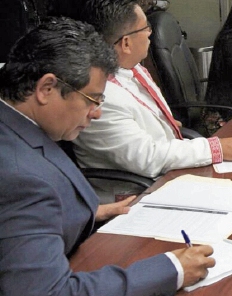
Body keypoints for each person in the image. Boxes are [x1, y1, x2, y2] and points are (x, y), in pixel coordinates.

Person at [0, 18, 215, 296]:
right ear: (46, 89)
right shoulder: (21, 180)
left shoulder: (15, 124)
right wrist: (172, 270)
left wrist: (84, 213)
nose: (97, 112)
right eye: (92, 99)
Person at [74, 0, 232, 202]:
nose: (150, 33)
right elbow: (148, 157)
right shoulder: (101, 97)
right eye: (146, 28)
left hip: (168, 173)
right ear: (126, 43)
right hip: (136, 196)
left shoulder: (133, 69)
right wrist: (216, 148)